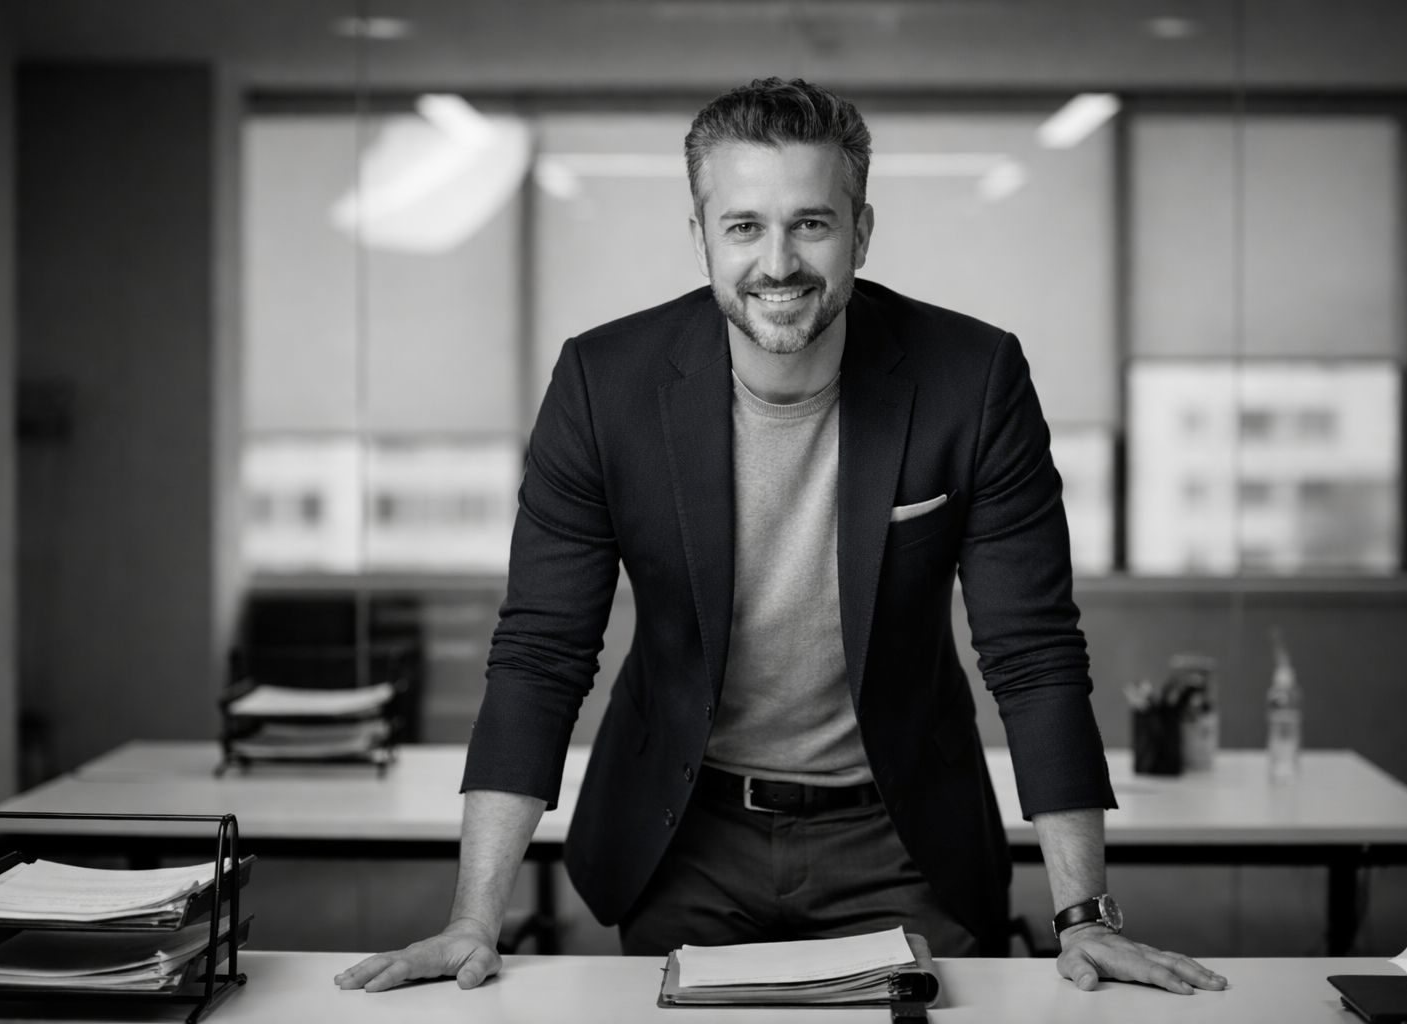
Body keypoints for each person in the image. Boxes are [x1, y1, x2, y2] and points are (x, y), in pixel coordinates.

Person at [337, 77, 1226, 997]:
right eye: (744, 226)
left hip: (900, 832)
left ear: (861, 232)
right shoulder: (605, 384)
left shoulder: (973, 378)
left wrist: (1084, 914)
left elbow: (1033, 653)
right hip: (686, 831)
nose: (778, 262)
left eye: (811, 224)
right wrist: (473, 916)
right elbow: (540, 651)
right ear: (700, 239)